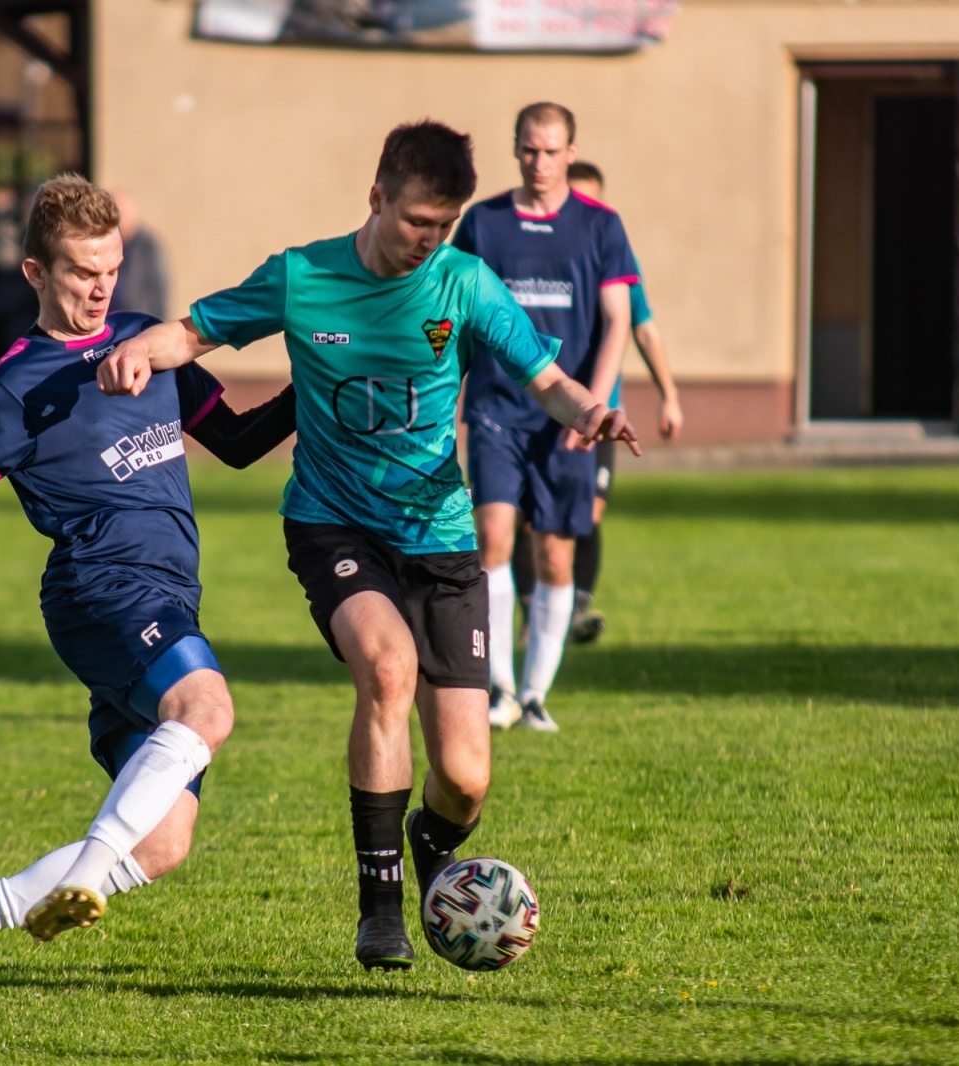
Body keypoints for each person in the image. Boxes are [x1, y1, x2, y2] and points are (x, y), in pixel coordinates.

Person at [93, 121, 639, 970]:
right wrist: (137, 352)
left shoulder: (465, 282)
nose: (430, 239)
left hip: (440, 537)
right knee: (386, 667)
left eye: (445, 225)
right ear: (376, 196)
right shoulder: (303, 276)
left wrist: (592, 412)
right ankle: (380, 911)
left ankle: (431, 845)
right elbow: (194, 332)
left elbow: (547, 381)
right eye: (418, 220)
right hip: (333, 524)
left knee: (467, 778)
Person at [0, 175, 296, 1001]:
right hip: (99, 591)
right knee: (208, 710)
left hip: (167, 598)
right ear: (36, 271)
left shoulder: (147, 343)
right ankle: (87, 873)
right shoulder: (13, 388)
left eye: (111, 268)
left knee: (164, 843)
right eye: (81, 271)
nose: (101, 287)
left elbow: (241, 444)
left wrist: (316, 383)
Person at [453, 103, 635, 733]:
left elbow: (618, 321)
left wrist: (594, 408)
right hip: (497, 409)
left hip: (568, 415)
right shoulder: (483, 223)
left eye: (552, 151)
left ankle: (535, 694)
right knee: (492, 538)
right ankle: (501, 687)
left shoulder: (601, 225)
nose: (539, 162)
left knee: (556, 557)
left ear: (570, 152)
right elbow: (453, 314)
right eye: (529, 150)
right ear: (515, 149)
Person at [511, 161, 685, 645]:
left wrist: (669, 396)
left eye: (589, 200)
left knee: (586, 513)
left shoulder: (615, 260)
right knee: (523, 518)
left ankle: (573, 610)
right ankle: (533, 613)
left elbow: (642, 329)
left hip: (597, 413)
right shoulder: (533, 252)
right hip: (531, 409)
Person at [109, 191, 171, 320]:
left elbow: (159, 290)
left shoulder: (148, 246)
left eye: (122, 213)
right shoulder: (107, 243)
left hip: (140, 323)